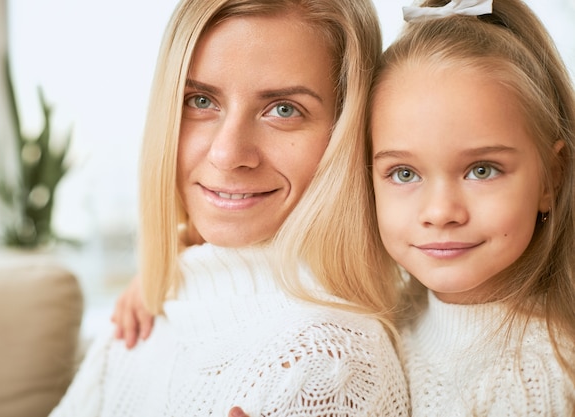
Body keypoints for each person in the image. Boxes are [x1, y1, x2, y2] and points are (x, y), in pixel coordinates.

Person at [50, 0, 410, 416]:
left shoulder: (326, 364)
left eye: (283, 109)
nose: (227, 153)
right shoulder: (160, 303)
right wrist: (170, 270)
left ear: (347, 131)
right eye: (201, 101)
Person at [366, 0, 575, 414]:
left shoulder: (534, 377)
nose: (441, 212)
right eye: (404, 173)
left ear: (552, 177)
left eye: (482, 170)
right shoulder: (389, 321)